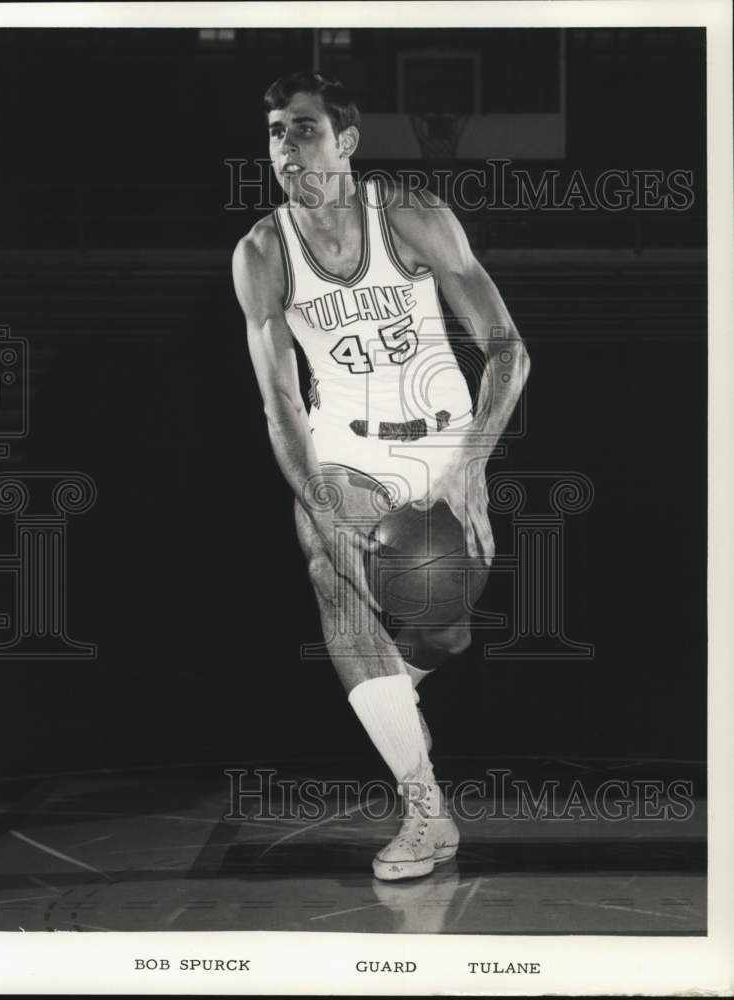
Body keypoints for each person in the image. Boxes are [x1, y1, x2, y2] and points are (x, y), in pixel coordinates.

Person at [232, 71, 529, 881]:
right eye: (274, 132)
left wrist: (471, 467)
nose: (285, 145)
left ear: (346, 142)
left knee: (443, 626)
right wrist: (319, 502)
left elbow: (508, 349)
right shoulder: (262, 252)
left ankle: (400, 690)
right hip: (345, 446)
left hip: (440, 443)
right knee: (333, 578)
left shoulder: (407, 215)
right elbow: (281, 404)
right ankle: (424, 808)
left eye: (302, 128)